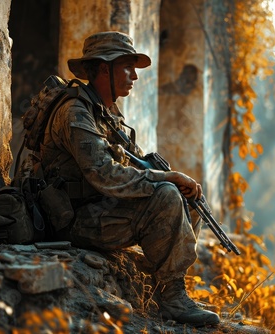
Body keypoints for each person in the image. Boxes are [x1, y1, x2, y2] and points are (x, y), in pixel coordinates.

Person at [40, 31, 220, 326]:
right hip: (70, 219)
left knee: (186, 198)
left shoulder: (107, 113)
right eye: (127, 67)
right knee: (167, 195)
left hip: (98, 210)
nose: (134, 76)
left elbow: (132, 163)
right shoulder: (75, 112)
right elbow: (105, 175)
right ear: (102, 69)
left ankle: (166, 283)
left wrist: (173, 180)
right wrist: (167, 178)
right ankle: (171, 298)